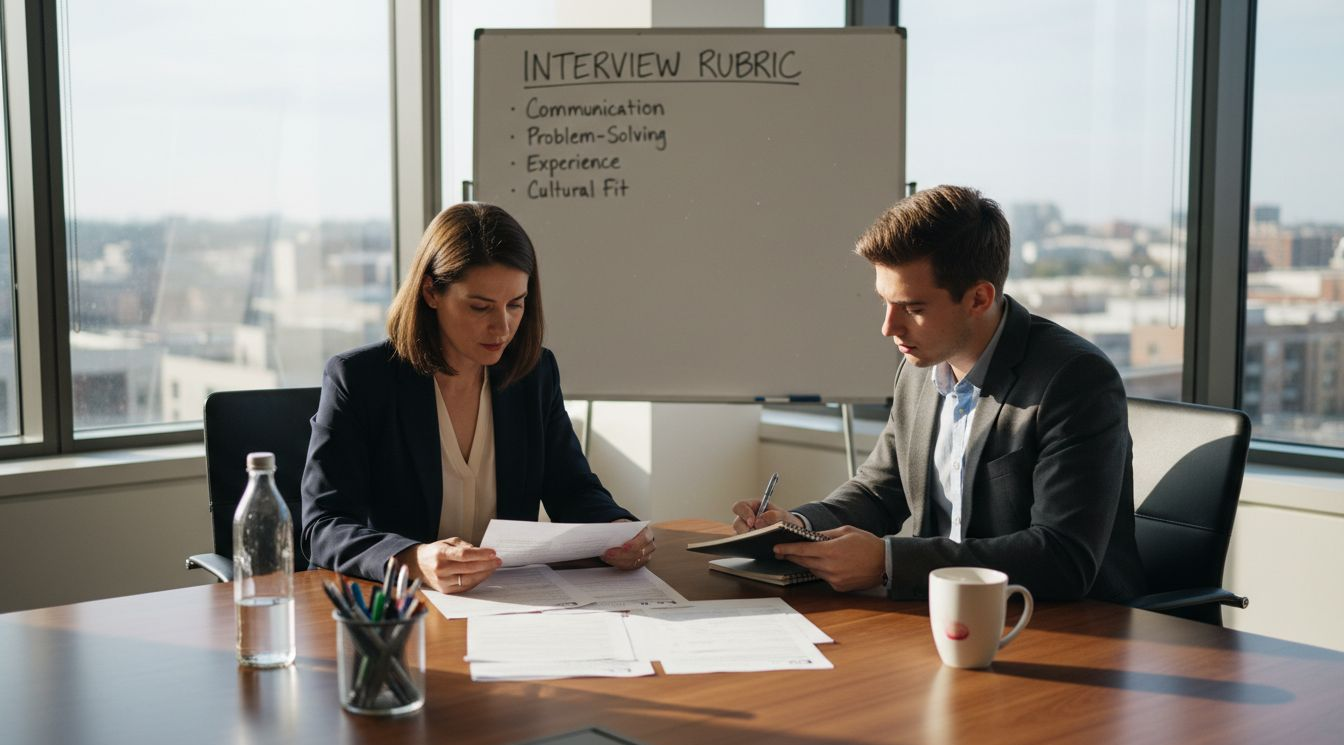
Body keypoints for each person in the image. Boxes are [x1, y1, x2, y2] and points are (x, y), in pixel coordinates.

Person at [732, 185, 1145, 602]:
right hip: (938, 616)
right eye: (884, 302)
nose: (889, 328)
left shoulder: (1074, 380)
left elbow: (1061, 558)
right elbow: (880, 489)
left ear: (979, 298)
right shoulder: (919, 370)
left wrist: (888, 562)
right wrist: (796, 524)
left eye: (913, 308)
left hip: (1067, 628)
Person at [302, 202, 653, 593]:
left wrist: (617, 529)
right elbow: (323, 525)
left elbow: (571, 488)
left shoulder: (533, 374)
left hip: (509, 600)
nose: (502, 327)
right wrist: (413, 559)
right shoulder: (361, 380)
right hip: (400, 610)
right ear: (431, 291)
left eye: (515, 305)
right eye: (480, 306)